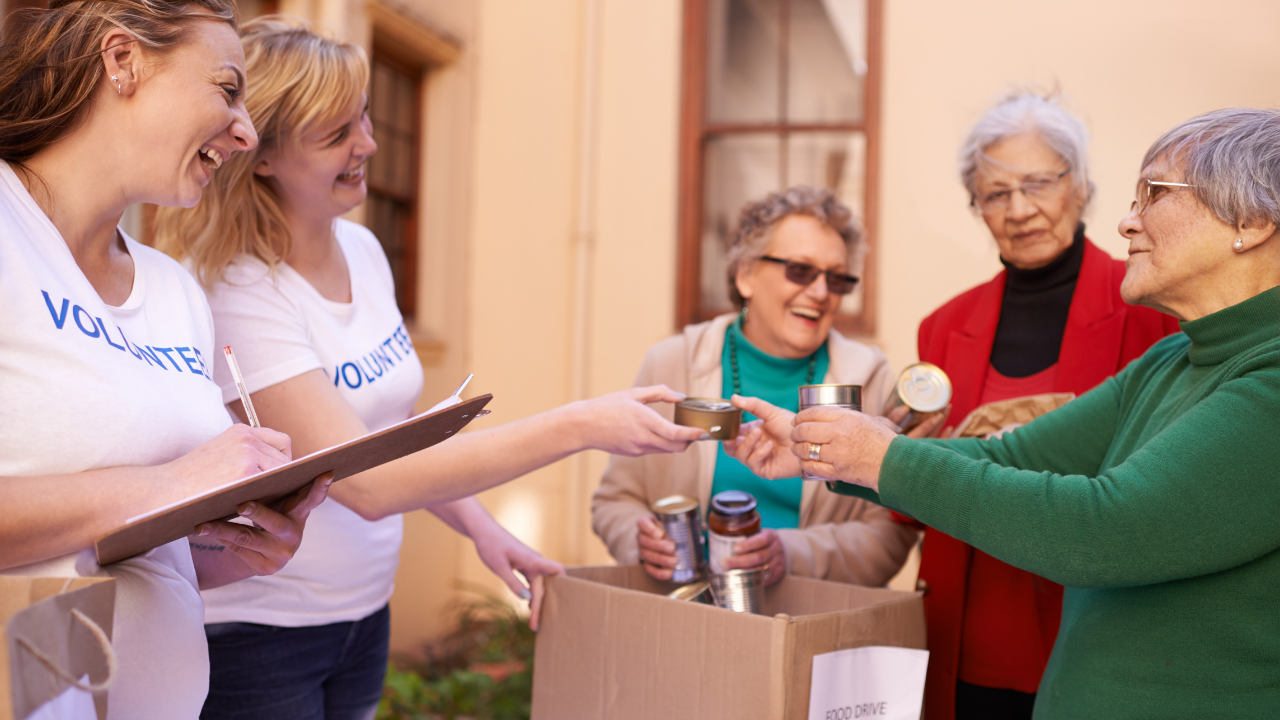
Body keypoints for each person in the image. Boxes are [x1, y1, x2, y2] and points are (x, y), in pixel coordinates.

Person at [155, 18, 705, 720]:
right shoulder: (241, 293)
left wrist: (484, 530)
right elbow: (372, 483)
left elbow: (390, 425)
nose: (368, 146)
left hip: (363, 616)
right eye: (335, 136)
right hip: (262, 636)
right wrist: (582, 424)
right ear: (260, 157)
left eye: (363, 118)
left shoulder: (361, 249)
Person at [730, 107, 1280, 718]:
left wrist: (877, 454)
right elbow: (1007, 455)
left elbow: (1105, 529)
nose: (1128, 221)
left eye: (1154, 194)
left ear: (1252, 221)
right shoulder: (1174, 357)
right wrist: (829, 448)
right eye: (995, 193)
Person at [0, 2, 331, 718]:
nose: (246, 131)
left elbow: (121, 554)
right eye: (227, 89)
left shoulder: (176, 291)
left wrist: (229, 552)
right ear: (123, 61)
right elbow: (148, 491)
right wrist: (173, 482)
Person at [865, 93, 1181, 720]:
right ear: (976, 207)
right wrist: (898, 445)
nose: (1020, 209)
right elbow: (916, 498)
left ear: (1081, 184)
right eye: (994, 193)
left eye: (1038, 183)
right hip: (964, 634)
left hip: (1089, 631)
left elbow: (1163, 485)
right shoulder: (944, 327)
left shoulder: (1152, 312)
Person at [592, 187, 922, 587]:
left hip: (810, 620)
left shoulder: (870, 380)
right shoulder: (671, 364)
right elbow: (614, 501)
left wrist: (791, 554)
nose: (820, 292)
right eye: (800, 270)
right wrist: (639, 540)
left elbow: (890, 532)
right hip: (690, 617)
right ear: (745, 274)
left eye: (837, 279)